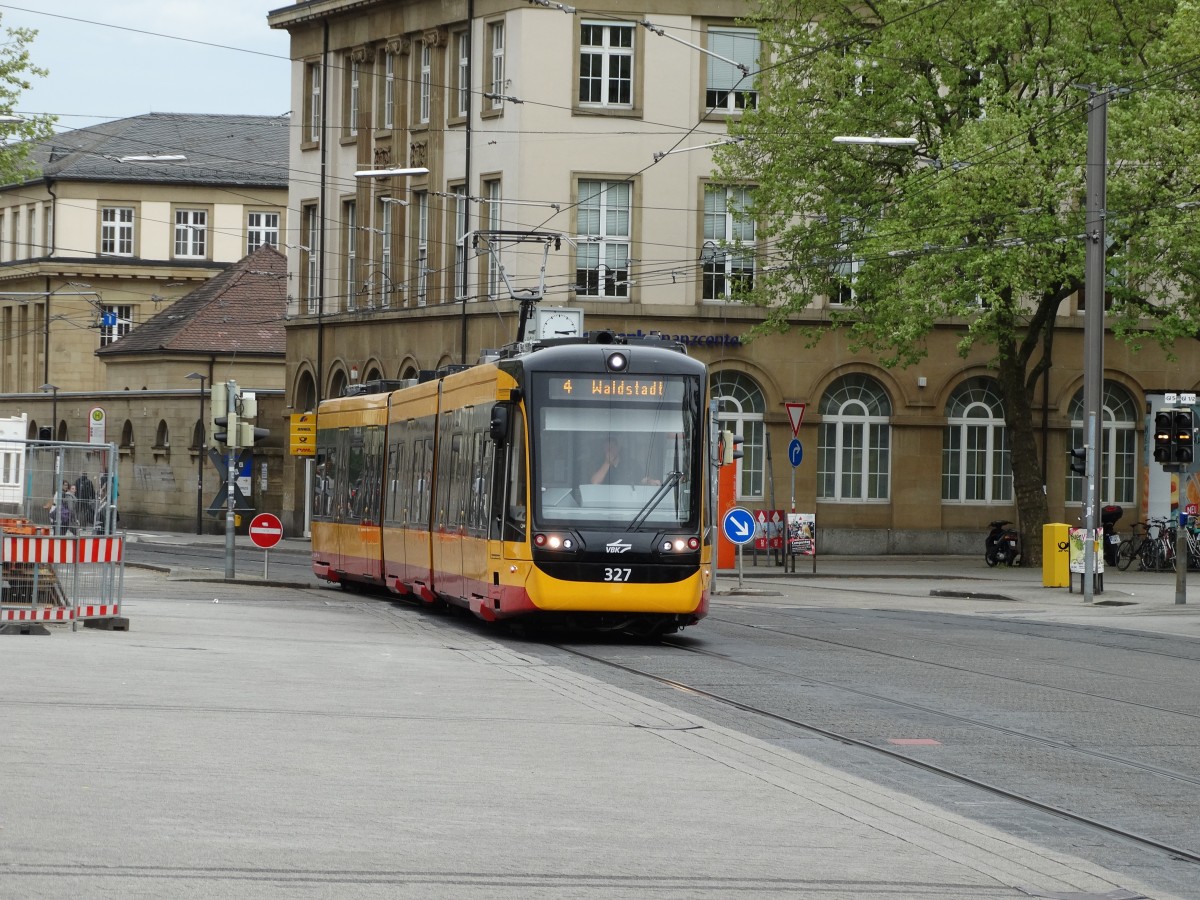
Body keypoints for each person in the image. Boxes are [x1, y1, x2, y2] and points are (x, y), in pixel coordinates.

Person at [590, 437, 661, 485]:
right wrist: (607, 463)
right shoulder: (599, 464)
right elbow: (595, 482)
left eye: (612, 447)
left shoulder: (631, 464)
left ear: (618, 448)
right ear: (603, 450)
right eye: (607, 448)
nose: (610, 450)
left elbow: (643, 479)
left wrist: (651, 481)